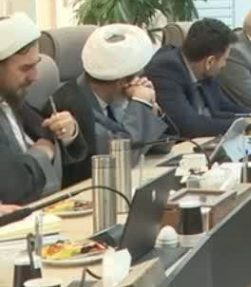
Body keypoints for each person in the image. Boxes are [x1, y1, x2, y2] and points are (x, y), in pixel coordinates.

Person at [50, 24, 168, 185]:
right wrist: (140, 104)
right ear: (123, 82)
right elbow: (119, 159)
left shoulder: (117, 98)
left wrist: (151, 108)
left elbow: (162, 147)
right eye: (138, 75)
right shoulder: (72, 105)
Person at [0, 13, 86, 204]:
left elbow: (49, 140)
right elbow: (10, 188)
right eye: (25, 68)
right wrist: (42, 154)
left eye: (36, 65)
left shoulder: (13, 99)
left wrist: (67, 133)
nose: (35, 76)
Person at [146, 18, 251, 138]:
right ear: (210, 62)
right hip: (178, 147)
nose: (224, 65)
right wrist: (247, 123)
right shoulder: (166, 70)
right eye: (225, 60)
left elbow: (224, 105)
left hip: (202, 141)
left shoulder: (204, 70)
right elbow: (188, 126)